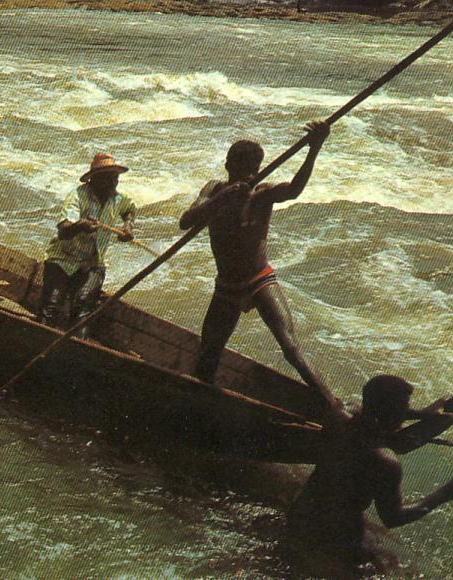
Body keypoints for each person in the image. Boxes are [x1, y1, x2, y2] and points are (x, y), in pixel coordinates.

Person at [179, 120, 341, 418]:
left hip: (259, 279)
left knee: (290, 346)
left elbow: (293, 190)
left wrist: (314, 148)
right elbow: (186, 221)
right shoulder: (214, 189)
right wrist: (220, 200)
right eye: (244, 169)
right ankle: (197, 409)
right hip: (227, 286)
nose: (250, 175)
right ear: (228, 166)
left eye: (255, 169)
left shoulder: (262, 194)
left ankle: (332, 407)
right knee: (209, 353)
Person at [287, 375, 453, 576]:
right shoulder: (385, 461)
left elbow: (375, 416)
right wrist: (444, 493)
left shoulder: (340, 414)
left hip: (301, 512)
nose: (405, 414)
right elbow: (393, 518)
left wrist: (426, 412)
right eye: (403, 408)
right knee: (387, 568)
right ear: (392, 412)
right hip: (334, 534)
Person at [38, 153, 136, 339]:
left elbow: (130, 210)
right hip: (63, 259)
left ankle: (76, 349)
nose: (113, 184)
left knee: (83, 309)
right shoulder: (77, 196)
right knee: (50, 306)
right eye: (108, 179)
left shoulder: (118, 199)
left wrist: (127, 226)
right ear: (94, 179)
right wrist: (80, 225)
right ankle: (40, 344)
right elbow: (63, 230)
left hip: (92, 264)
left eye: (115, 179)